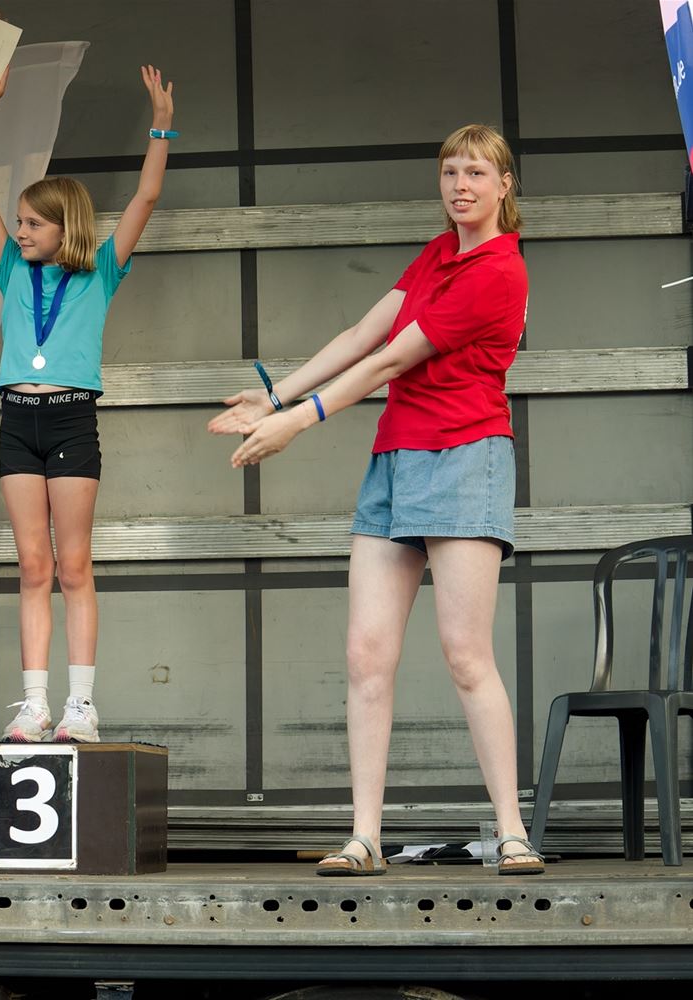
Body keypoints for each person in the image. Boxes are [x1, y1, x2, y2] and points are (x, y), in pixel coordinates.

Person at [209, 124, 543, 876]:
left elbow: (392, 360)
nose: (460, 185)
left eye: (476, 173)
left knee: (466, 655)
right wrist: (273, 396)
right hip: (397, 457)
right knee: (366, 653)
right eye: (450, 172)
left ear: (504, 186)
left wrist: (298, 422)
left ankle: (512, 830)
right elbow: (365, 332)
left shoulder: (499, 270)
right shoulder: (438, 252)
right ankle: (364, 836)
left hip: (465, 456)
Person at [0, 65, 174, 743]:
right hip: (17, 422)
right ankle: (35, 705)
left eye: (33, 223)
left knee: (74, 565)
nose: (21, 231)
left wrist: (160, 126)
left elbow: (146, 196)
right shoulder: (10, 267)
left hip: (72, 418)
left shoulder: (101, 270)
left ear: (64, 227)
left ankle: (81, 705)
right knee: (32, 566)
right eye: (20, 221)